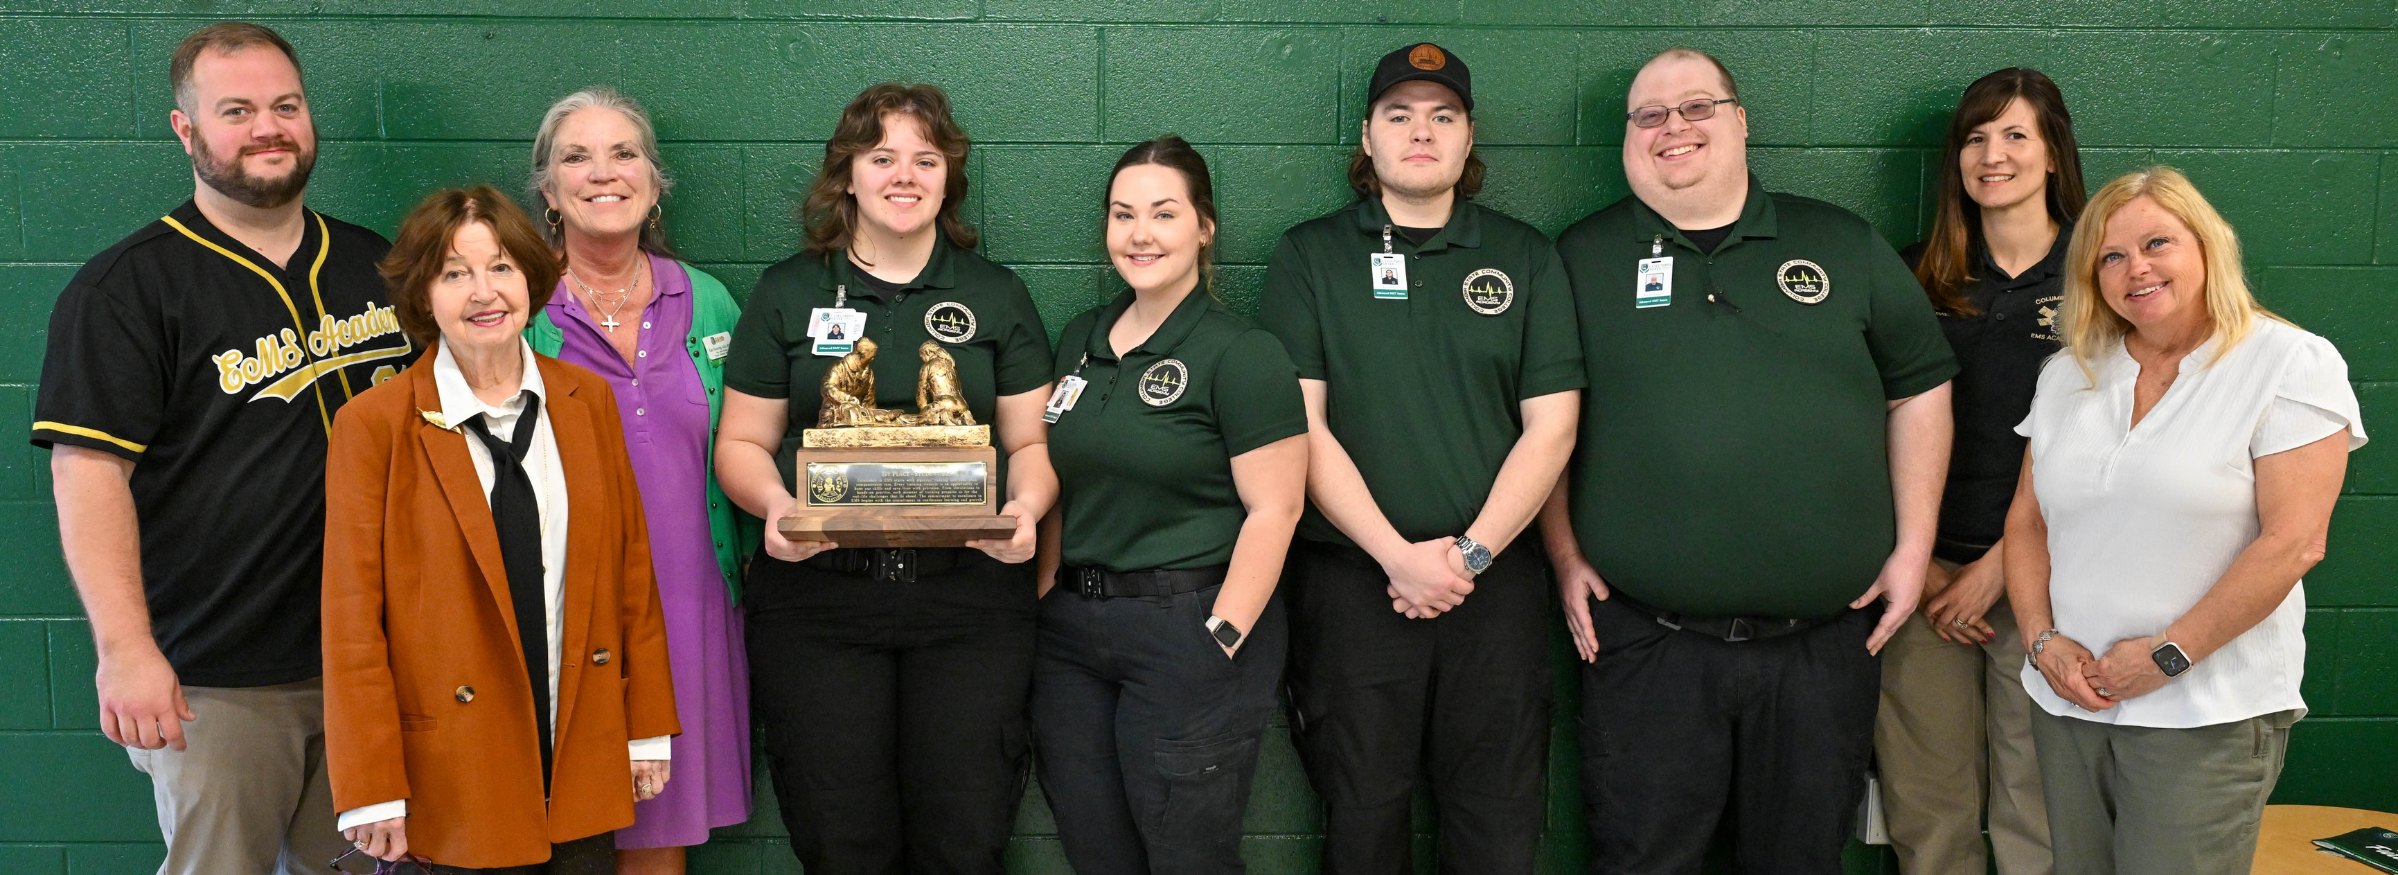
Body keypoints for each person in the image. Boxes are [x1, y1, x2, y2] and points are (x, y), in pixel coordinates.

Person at [1544, 48, 1957, 873]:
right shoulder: (1579, 258)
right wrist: (1561, 548)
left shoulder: (1839, 241)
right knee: (1642, 858)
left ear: (1740, 121)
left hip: (1825, 647)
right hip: (1649, 645)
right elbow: (1545, 419)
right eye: (1650, 114)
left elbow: (1920, 391)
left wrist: (1915, 549)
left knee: (1799, 859)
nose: (1674, 128)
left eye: (1696, 107)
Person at [31, 22, 413, 875]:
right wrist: (126, 651)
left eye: (285, 104)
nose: (268, 126)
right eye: (236, 110)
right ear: (186, 129)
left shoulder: (375, 264)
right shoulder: (126, 288)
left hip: (372, 660)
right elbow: (88, 473)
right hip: (220, 674)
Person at [1255, 43, 1584, 875]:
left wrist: (1466, 554)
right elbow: (1302, 428)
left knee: (1497, 827)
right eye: (1398, 116)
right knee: (1363, 824)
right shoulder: (1310, 255)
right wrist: (1399, 558)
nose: (1421, 132)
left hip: (1494, 585)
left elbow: (1551, 429)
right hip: (1355, 585)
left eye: (1443, 115)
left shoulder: (1525, 256)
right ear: (1366, 138)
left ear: (1470, 137)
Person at [714, 83, 1057, 874]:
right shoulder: (788, 291)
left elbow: (1030, 443)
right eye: (882, 157)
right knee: (841, 841)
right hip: (820, 601)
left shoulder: (994, 293)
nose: (904, 175)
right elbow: (740, 441)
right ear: (849, 175)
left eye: (925, 159)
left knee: (965, 838)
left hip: (968, 599)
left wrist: (1026, 511)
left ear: (948, 177)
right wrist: (776, 508)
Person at [2005, 167, 2365, 875]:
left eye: (2156, 242)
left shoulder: (2288, 362)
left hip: (2204, 713)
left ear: (2207, 245)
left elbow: (2294, 542)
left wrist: (2168, 654)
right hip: (2070, 705)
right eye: (2110, 256)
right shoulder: (2070, 374)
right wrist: (2043, 641)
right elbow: (2027, 523)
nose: (2135, 268)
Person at [322, 185, 680, 871]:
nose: (483, 292)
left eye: (501, 268)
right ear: (423, 295)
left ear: (531, 279)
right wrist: (370, 788)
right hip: (453, 763)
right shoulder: (374, 426)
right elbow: (351, 624)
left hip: (578, 738)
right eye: (454, 272)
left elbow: (632, 570)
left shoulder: (585, 401)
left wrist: (647, 727)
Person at [1032, 136, 1309, 875]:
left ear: (1204, 225)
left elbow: (1276, 508)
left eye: (1163, 212)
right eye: (1123, 215)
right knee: (1097, 851)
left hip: (1187, 626)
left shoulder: (1240, 351)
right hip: (1073, 635)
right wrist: (1044, 598)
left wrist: (1219, 634)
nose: (1140, 234)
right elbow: (1062, 479)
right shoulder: (1080, 339)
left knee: (1190, 855)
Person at [523, 86, 756, 875]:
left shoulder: (710, 300)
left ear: (655, 182)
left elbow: (745, 448)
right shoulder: (517, 311)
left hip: (689, 608)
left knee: (660, 833)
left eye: (624, 153)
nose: (603, 172)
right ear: (549, 192)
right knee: (564, 831)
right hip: (566, 617)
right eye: (576, 157)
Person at [1879, 67, 2084, 875]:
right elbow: (1864, 429)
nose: (1991, 155)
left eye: (2014, 135)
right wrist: (1926, 567)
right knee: (1926, 808)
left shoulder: (2101, 276)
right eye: (1974, 137)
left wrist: (2001, 568)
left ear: (2053, 153)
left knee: (2039, 813)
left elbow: (2113, 445)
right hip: (1923, 585)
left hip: (2050, 585)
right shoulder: (1909, 274)